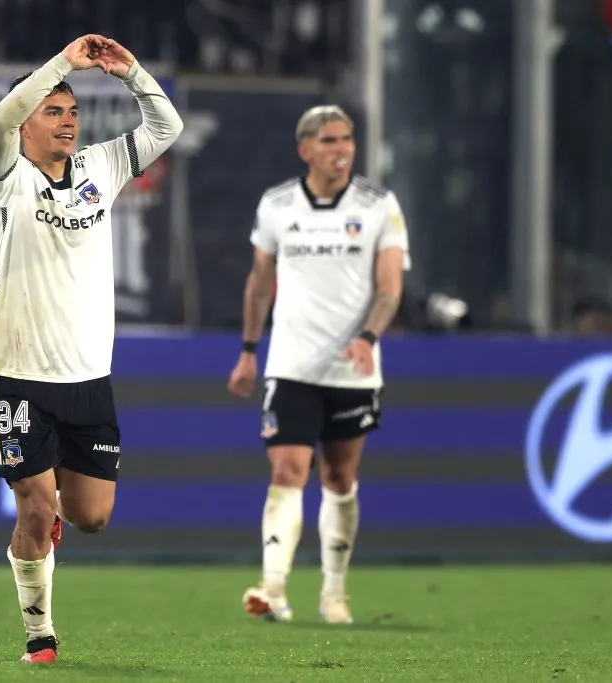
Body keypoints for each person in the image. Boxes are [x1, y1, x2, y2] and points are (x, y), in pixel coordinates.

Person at [0, 34, 182, 664]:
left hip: (89, 376)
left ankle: (53, 528)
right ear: (28, 122)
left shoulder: (100, 167)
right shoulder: (4, 175)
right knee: (36, 512)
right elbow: (0, 117)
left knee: (90, 517)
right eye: (53, 112)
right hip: (19, 372)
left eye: (72, 112)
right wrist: (65, 62)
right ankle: (40, 633)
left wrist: (132, 72)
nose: (66, 122)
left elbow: (166, 126)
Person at [226, 105, 410, 625]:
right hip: (290, 362)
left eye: (347, 139)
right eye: (330, 140)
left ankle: (334, 592)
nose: (342, 149)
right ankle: (273, 587)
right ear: (305, 149)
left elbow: (390, 286)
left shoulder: (379, 205)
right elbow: (259, 284)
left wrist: (369, 337)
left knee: (339, 476)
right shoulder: (278, 205)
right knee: (287, 469)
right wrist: (247, 350)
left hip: (353, 366)